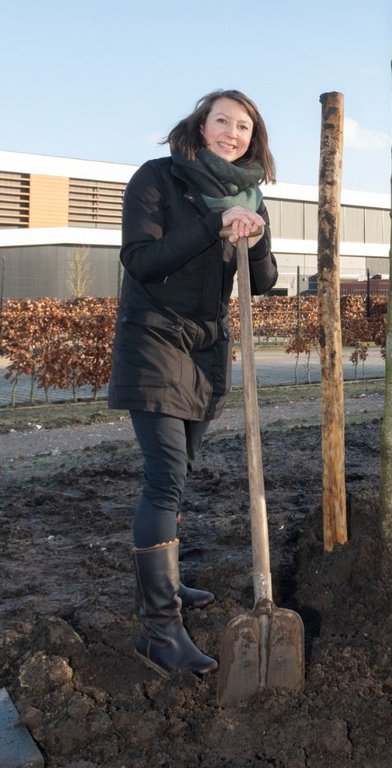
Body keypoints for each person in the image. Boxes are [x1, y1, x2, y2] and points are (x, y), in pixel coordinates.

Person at [108, 89, 278, 678]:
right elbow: (142, 260)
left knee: (179, 476)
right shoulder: (158, 179)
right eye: (222, 122)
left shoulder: (250, 196)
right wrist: (213, 224)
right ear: (200, 126)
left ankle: (170, 584)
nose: (233, 133)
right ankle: (158, 631)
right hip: (154, 339)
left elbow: (265, 279)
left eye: (244, 126)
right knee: (165, 481)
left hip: (207, 349)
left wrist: (252, 242)